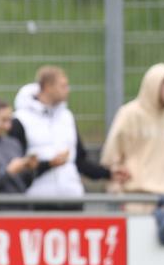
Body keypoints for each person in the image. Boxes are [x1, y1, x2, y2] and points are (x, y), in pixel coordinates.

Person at [10, 66, 118, 208]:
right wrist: (48, 164)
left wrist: (109, 173)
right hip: (37, 203)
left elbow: (79, 160)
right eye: (63, 85)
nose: (68, 89)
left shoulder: (67, 117)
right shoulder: (20, 120)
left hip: (72, 200)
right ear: (48, 87)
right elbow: (16, 165)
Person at [101, 63, 164, 212]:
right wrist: (116, 186)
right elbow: (112, 154)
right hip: (134, 196)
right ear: (154, 87)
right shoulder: (129, 113)